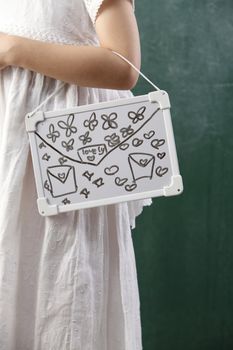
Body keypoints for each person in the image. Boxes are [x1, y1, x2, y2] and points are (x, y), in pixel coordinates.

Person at [0, 0, 152, 349]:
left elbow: (123, 65)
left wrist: (11, 49)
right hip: (7, 151)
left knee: (60, 291)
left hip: (66, 157)